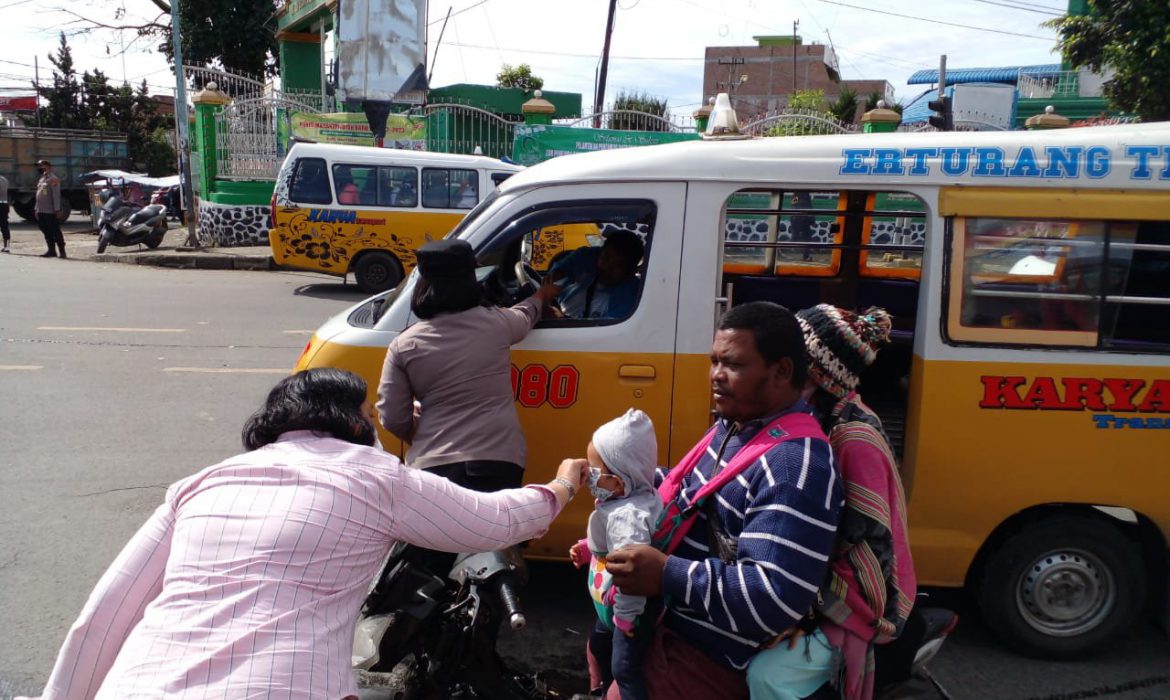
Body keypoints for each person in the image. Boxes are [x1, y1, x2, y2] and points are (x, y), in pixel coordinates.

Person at [20, 368, 587, 700]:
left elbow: (99, 621)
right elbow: (496, 520)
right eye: (368, 412)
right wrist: (561, 486)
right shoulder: (377, 477)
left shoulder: (200, 484)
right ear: (348, 420)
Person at [598, 301, 843, 700]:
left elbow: (775, 595)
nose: (716, 376)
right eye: (714, 361)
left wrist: (667, 573)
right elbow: (692, 496)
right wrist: (622, 483)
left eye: (733, 365)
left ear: (781, 371)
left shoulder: (793, 464)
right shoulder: (734, 427)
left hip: (705, 661)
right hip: (663, 632)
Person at [746, 305, 917, 700]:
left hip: (854, 605)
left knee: (767, 676)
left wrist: (804, 618)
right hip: (808, 585)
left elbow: (868, 549)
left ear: (817, 377)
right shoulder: (811, 421)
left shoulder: (852, 440)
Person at [377, 238, 560, 490]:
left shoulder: (404, 344)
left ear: (422, 284)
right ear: (472, 281)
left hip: (431, 467)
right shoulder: (497, 323)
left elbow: (392, 417)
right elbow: (525, 315)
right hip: (498, 461)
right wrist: (541, 296)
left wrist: (425, 430)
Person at [569, 409, 663, 700]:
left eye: (595, 472)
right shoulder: (622, 501)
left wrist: (626, 619)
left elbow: (631, 574)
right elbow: (610, 542)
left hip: (628, 612)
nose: (589, 478)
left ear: (621, 479)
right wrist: (589, 547)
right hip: (612, 609)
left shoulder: (628, 518)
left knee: (625, 669)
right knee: (598, 644)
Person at [548, 230, 644, 320]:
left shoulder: (631, 296)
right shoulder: (586, 257)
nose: (607, 267)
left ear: (631, 271)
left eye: (618, 265)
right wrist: (556, 277)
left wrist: (561, 321)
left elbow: (608, 331)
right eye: (606, 257)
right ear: (600, 250)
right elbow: (560, 272)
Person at [34, 159, 64, 258]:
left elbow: (56, 195)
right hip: (41, 210)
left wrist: (57, 209)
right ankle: (51, 251)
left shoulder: (53, 179)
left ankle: (62, 251)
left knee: (55, 231)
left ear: (49, 167)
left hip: (50, 211)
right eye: (39, 166)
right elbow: (38, 195)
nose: (40, 168)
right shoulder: (42, 179)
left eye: (42, 166)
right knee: (46, 231)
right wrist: (36, 209)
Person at [0, 172, 10, 253]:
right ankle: (7, 246)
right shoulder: (4, 179)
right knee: (4, 226)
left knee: (4, 226)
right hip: (4, 204)